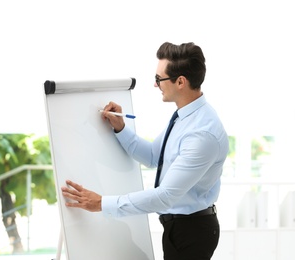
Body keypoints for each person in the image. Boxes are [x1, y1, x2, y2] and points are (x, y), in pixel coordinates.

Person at [61, 42, 229, 260]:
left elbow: (165, 196)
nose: (155, 84)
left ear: (180, 82)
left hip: (192, 231)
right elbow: (152, 156)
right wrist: (120, 128)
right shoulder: (185, 117)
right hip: (179, 227)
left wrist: (102, 203)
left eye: (159, 79)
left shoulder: (202, 134)